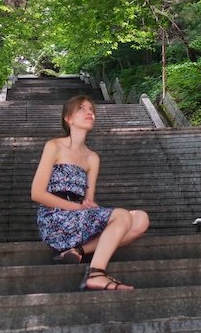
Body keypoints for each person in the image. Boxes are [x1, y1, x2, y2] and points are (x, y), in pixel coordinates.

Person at [31, 95, 150, 291]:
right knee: (121, 215)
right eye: (81, 109)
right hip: (54, 218)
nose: (89, 113)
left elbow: (88, 200)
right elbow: (37, 193)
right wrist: (77, 208)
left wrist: (87, 206)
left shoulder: (92, 158)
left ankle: (76, 251)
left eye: (91, 110)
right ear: (68, 118)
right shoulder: (54, 146)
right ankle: (96, 274)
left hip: (79, 216)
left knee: (140, 219)